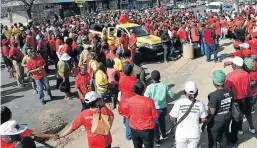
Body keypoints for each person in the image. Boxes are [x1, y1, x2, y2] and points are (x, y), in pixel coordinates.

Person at [169, 81, 208, 148]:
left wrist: (177, 120)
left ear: (184, 92)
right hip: (194, 134)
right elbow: (204, 119)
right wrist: (197, 120)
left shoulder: (179, 103)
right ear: (196, 93)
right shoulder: (200, 104)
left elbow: (172, 117)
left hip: (181, 134)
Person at [224, 56, 251, 144]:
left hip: (233, 101)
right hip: (243, 100)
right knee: (237, 120)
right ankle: (234, 137)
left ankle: (230, 139)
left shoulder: (230, 76)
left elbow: (226, 89)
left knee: (230, 120)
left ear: (235, 65)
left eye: (232, 64)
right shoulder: (246, 74)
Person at [122, 81, 158, 148]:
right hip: (147, 130)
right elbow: (155, 116)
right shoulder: (149, 101)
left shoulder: (129, 101)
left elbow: (126, 115)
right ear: (144, 90)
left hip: (134, 129)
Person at [144, 70, 174, 146]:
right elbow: (172, 95)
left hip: (153, 109)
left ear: (151, 78)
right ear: (159, 77)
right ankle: (164, 135)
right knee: (162, 121)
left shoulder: (149, 87)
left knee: (155, 125)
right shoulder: (164, 86)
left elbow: (146, 98)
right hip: (163, 108)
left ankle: (157, 140)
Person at [207, 70, 232, 148]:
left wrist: (206, 121)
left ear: (214, 82)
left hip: (216, 121)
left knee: (213, 139)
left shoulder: (213, 95)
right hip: (227, 118)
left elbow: (212, 112)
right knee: (224, 136)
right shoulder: (229, 91)